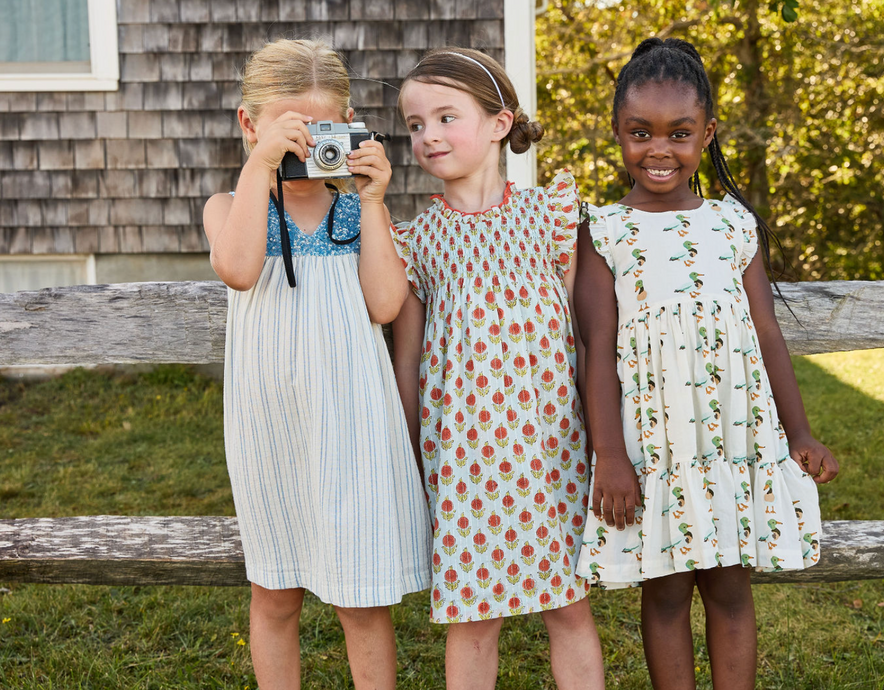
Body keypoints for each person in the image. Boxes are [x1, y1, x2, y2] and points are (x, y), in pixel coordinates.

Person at [573, 38, 839, 690]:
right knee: (664, 595)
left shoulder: (733, 226)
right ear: (617, 133)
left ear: (707, 133)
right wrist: (609, 455)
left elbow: (768, 334)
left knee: (729, 588)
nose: (658, 150)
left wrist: (799, 431)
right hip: (654, 448)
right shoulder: (602, 230)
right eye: (640, 133)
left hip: (731, 441)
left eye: (678, 133)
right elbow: (595, 351)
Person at [202, 38, 430, 690]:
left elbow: (386, 305)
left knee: (361, 598)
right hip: (268, 429)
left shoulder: (353, 208)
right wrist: (259, 168)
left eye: (319, 129)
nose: (304, 145)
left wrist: (377, 200)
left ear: (347, 124)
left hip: (352, 424)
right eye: (288, 128)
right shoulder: (229, 207)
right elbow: (240, 269)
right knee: (275, 593)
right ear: (250, 126)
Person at [390, 48, 605, 690]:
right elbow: (408, 357)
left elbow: (588, 337)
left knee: (568, 604)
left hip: (553, 448)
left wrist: (604, 443)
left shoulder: (551, 217)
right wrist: (406, 456)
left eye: (446, 117)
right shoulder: (419, 240)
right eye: (415, 124)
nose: (428, 135)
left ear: (498, 124)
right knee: (473, 620)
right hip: (463, 456)